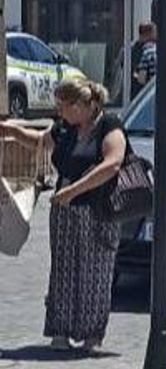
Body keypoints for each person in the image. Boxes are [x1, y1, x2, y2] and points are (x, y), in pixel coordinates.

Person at [0, 80, 127, 353]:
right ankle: (61, 330)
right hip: (64, 210)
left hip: (97, 208)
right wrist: (11, 130)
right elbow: (41, 142)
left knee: (95, 271)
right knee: (63, 269)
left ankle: (92, 335)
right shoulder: (65, 127)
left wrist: (74, 190)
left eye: (63, 106)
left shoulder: (109, 125)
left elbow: (112, 163)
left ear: (81, 105)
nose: (59, 112)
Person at [128, 22, 156, 94]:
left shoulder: (130, 49)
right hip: (141, 90)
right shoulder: (147, 51)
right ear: (148, 34)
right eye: (154, 33)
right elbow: (140, 78)